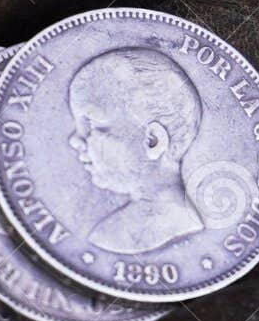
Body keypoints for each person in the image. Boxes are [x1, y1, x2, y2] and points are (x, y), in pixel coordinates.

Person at [66, 47, 206, 254]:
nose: (74, 140)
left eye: (92, 123)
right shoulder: (115, 231)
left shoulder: (114, 238)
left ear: (153, 141)